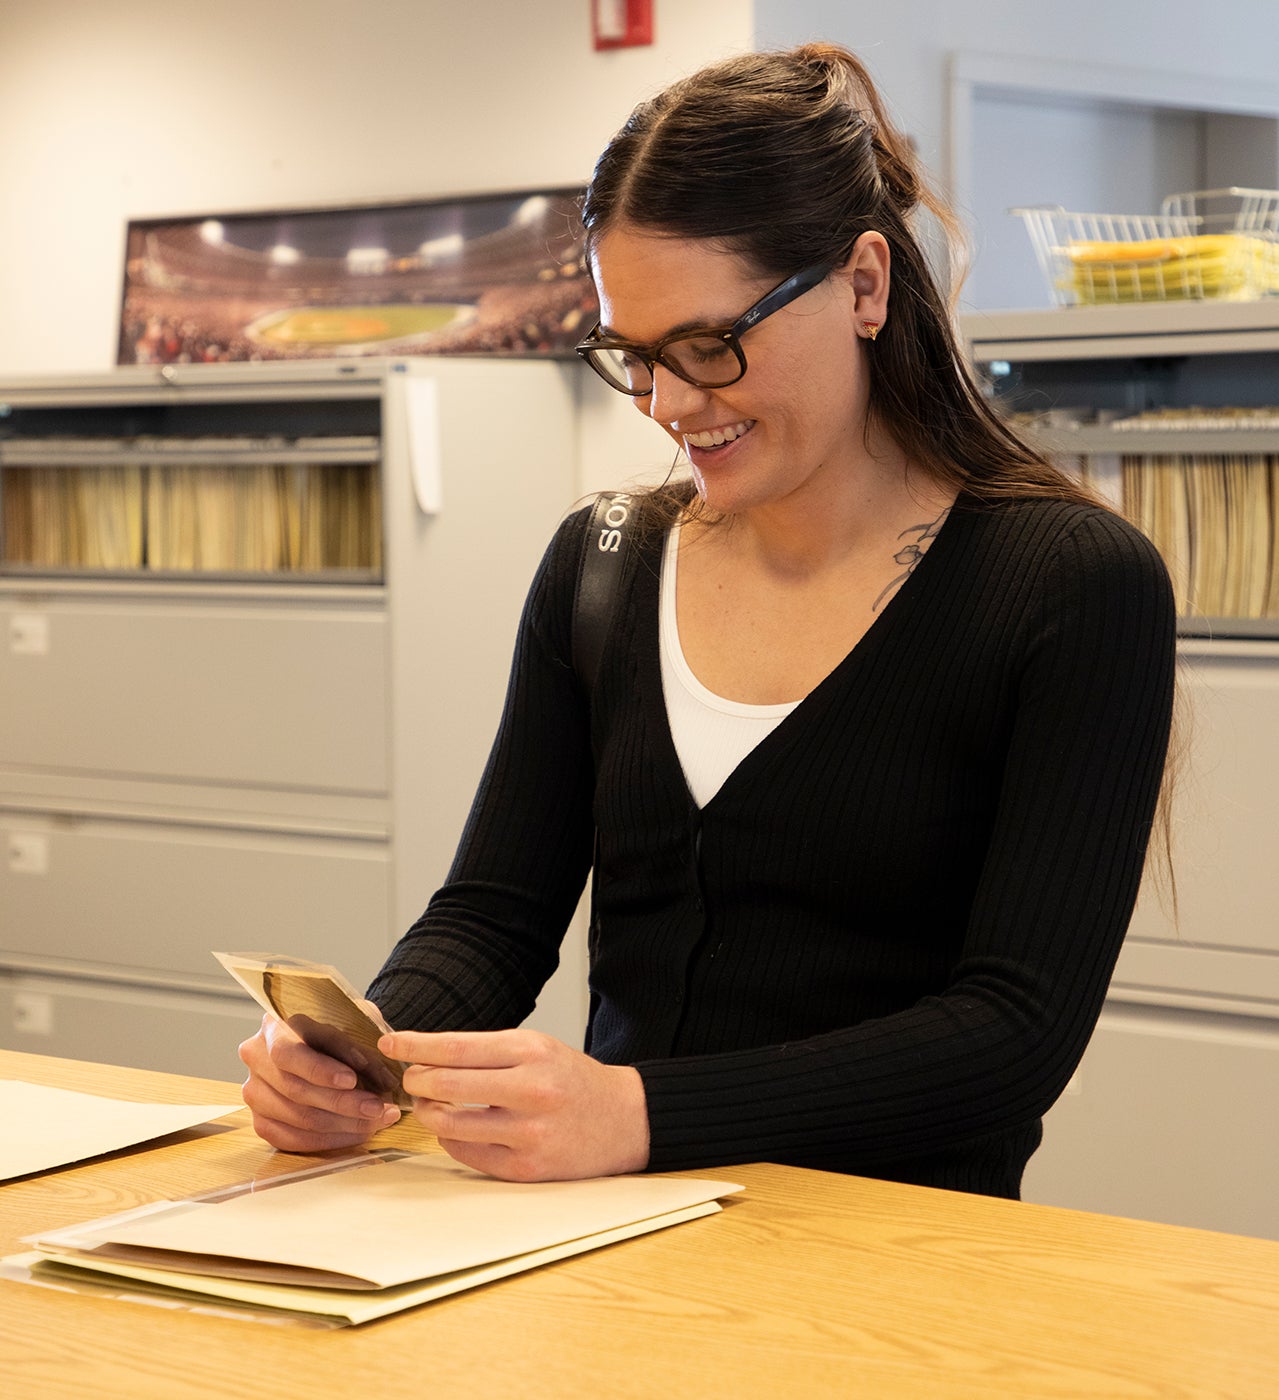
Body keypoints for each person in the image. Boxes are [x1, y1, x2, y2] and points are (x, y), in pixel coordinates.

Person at [239, 43, 1176, 1199]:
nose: (671, 405)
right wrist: (364, 1055)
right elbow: (493, 915)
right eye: (632, 355)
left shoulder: (1067, 582)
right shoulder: (604, 559)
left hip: (908, 1264)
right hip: (614, 1237)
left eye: (709, 346)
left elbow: (1011, 1033)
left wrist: (637, 1110)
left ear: (864, 286)